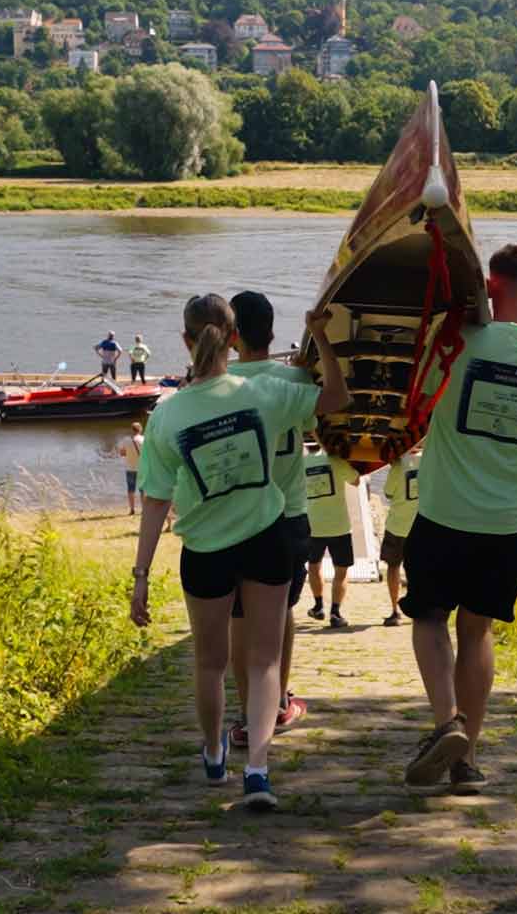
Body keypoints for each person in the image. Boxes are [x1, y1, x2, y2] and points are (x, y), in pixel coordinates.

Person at [130, 295, 350, 811]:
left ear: (186, 340)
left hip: (206, 549)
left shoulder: (167, 416)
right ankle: (258, 773)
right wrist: (319, 336)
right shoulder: (266, 393)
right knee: (265, 660)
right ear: (234, 340)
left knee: (210, 664)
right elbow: (336, 397)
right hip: (267, 538)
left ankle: (213, 756)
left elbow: (157, 501)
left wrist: (140, 575)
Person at [400, 243, 517, 796]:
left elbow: (419, 403)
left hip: (445, 510)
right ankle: (466, 760)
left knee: (428, 617)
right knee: (477, 631)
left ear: (486, 289)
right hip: (510, 519)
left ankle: (446, 722)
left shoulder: (451, 344)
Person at [225, 291, 314, 749]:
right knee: (282, 612)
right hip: (289, 514)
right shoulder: (293, 380)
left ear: (230, 335)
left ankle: (246, 713)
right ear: (272, 333)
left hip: (236, 517)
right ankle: (277, 702)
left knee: (240, 618)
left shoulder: (216, 385)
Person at [302, 442, 360, 627]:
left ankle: (318, 606)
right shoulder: (335, 460)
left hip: (312, 525)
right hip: (339, 525)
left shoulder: (300, 463)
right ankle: (335, 612)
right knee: (341, 571)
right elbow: (356, 480)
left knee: (313, 566)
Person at [379, 448, 422, 627]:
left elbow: (388, 493)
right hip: (421, 525)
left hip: (397, 525)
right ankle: (417, 609)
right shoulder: (431, 459)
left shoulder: (399, 464)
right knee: (419, 569)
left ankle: (395, 611)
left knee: (393, 567)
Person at [117, 421, 145, 515]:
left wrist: (128, 453)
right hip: (142, 468)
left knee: (130, 489)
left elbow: (121, 453)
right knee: (143, 490)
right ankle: (144, 509)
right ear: (140, 429)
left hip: (129, 468)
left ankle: (132, 509)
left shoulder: (126, 440)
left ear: (132, 430)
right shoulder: (143, 439)